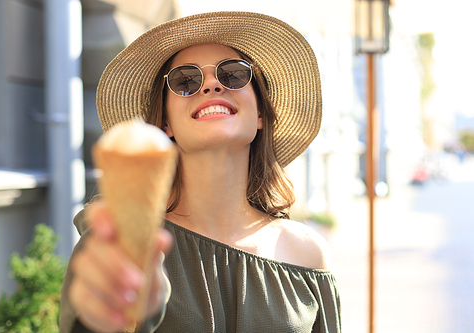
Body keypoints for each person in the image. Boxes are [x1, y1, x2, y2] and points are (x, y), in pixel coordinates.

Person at [59, 11, 341, 333]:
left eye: (234, 75)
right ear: (165, 122)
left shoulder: (308, 254)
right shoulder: (120, 241)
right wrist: (102, 318)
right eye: (185, 81)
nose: (211, 84)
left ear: (260, 112)